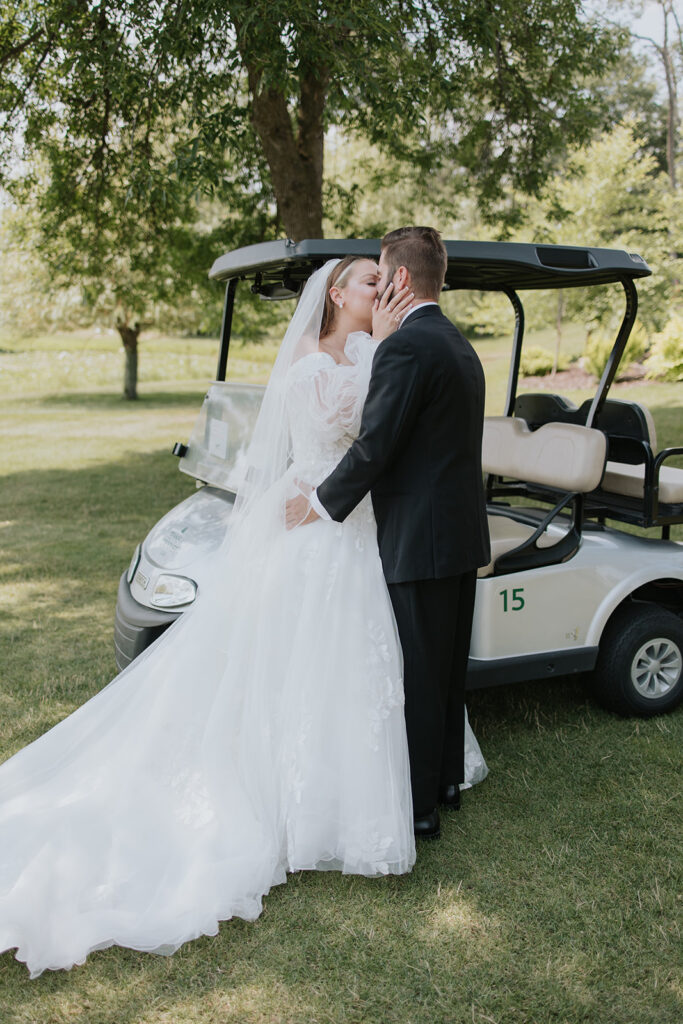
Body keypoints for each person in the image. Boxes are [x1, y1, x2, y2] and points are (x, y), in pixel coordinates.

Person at [0, 255, 487, 980]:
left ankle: (363, 781)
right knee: (310, 651)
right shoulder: (314, 359)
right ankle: (292, 793)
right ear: (333, 297)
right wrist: (382, 352)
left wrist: (380, 347)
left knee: (358, 659)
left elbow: (390, 424)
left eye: (378, 281)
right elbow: (355, 432)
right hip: (320, 518)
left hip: (354, 526)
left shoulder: (371, 347)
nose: (374, 291)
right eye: (362, 282)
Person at [285, 229, 491, 840]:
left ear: (399, 280)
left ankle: (421, 806)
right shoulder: (457, 342)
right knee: (448, 670)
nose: (376, 285)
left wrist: (319, 504)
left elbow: (375, 447)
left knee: (422, 675)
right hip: (457, 534)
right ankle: (446, 780)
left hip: (418, 537)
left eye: (380, 273)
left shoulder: (401, 349)